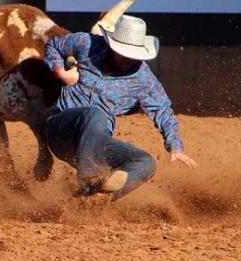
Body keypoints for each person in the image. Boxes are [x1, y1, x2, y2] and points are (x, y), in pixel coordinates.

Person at [43, 15, 199, 201]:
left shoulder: (144, 79)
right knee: (95, 113)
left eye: (133, 54)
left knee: (145, 163)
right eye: (123, 52)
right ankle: (89, 182)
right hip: (62, 130)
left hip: (95, 143)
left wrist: (175, 147)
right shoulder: (87, 43)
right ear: (112, 44)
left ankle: (96, 199)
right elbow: (53, 45)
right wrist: (61, 73)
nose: (128, 58)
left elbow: (163, 110)